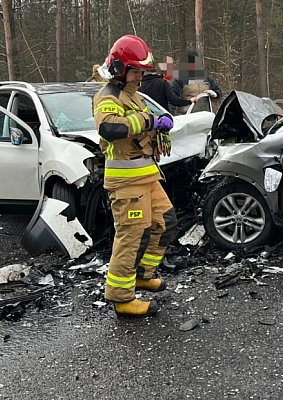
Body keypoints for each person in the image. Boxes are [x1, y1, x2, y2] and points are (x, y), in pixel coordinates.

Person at [92, 35, 178, 318]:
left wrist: (160, 124)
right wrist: (149, 121)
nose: (141, 76)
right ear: (120, 68)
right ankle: (121, 297)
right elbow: (110, 130)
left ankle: (142, 274)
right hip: (127, 181)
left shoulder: (134, 94)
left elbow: (144, 123)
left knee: (165, 222)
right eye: (136, 71)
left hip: (147, 176)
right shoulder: (108, 96)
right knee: (132, 236)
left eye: (142, 72)